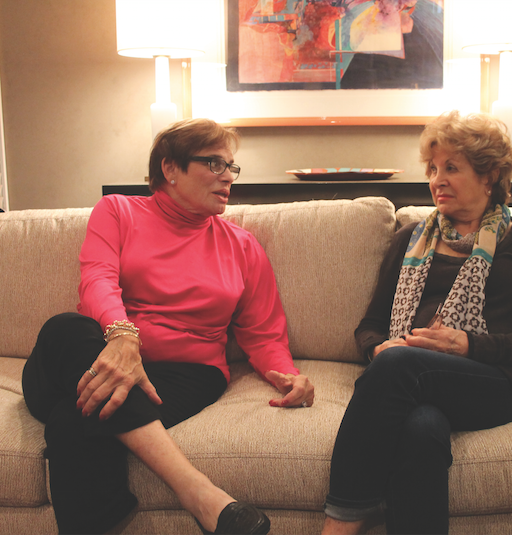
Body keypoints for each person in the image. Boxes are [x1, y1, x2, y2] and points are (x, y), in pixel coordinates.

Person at [22, 118, 315, 535]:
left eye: (232, 166)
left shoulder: (242, 245)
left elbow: (263, 332)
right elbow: (97, 280)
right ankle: (198, 492)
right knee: (65, 327)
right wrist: (123, 338)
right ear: (170, 169)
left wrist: (287, 375)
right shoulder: (118, 211)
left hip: (187, 374)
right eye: (214, 164)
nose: (228, 177)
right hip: (93, 356)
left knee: (73, 421)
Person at [322, 111, 512, 535]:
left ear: (491, 175)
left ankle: (339, 527)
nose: (437, 179)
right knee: (421, 429)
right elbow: (370, 325)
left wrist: (467, 345)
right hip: (411, 379)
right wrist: (378, 348)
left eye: (451, 167)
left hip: (496, 382)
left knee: (397, 368)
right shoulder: (409, 238)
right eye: (432, 169)